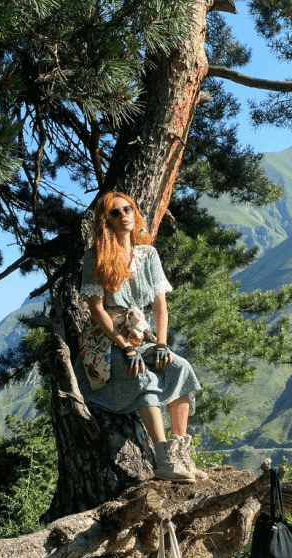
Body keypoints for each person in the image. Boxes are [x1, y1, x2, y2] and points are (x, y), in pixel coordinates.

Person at [75, 191, 206, 483]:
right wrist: (125, 348)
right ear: (106, 221)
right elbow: (96, 309)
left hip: (140, 335)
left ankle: (181, 455)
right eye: (115, 212)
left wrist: (161, 344)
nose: (124, 215)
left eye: (128, 209)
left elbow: (159, 305)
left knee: (180, 367)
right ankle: (164, 460)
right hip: (106, 341)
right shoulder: (94, 257)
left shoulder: (148, 254)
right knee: (141, 375)